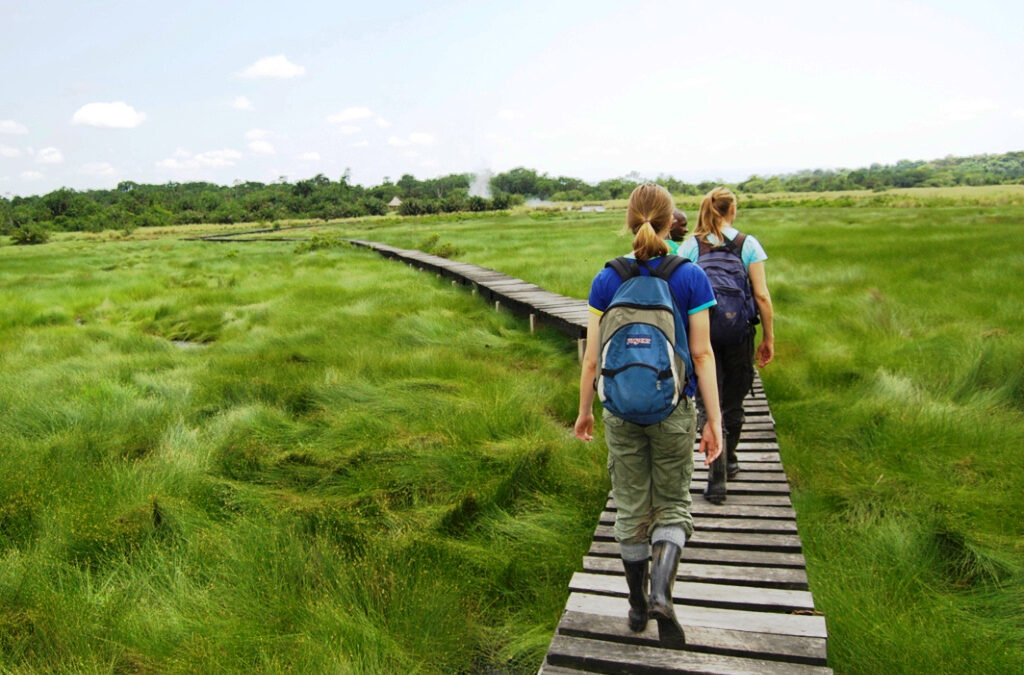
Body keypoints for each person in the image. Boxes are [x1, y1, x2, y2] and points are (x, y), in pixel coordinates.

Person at [574, 183, 722, 647]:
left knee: (631, 507)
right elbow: (702, 356)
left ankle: (637, 606)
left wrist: (584, 413)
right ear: (669, 219)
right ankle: (662, 592)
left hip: (618, 409)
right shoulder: (690, 275)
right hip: (675, 409)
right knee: (673, 503)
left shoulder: (607, 278)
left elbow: (593, 360)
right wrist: (713, 420)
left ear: (629, 220)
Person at [679, 187, 774, 504]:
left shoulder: (691, 245)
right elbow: (761, 296)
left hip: (701, 334)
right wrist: (768, 337)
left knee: (709, 402)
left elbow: (678, 291)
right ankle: (730, 458)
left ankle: (715, 478)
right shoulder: (747, 244)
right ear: (731, 210)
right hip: (739, 335)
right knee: (733, 399)